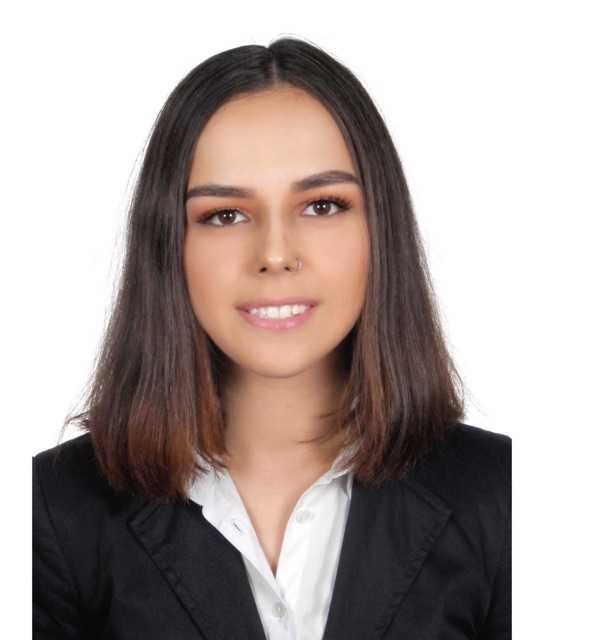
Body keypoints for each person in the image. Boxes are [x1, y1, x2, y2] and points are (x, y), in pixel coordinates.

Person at [33, 37, 511, 640]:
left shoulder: (507, 496)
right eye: (225, 215)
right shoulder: (51, 510)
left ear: (380, 229)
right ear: (169, 245)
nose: (276, 253)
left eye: (322, 206)